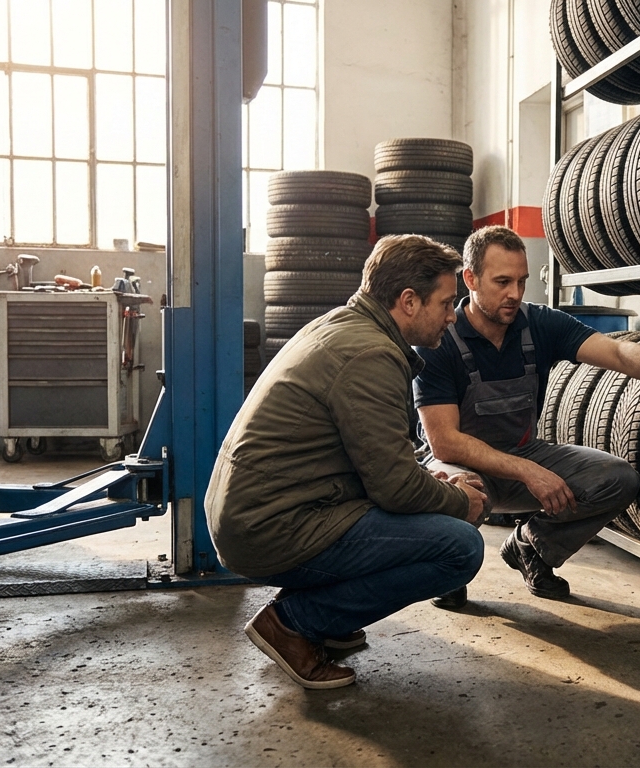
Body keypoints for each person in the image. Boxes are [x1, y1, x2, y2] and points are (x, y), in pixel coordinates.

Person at [205, 234, 488, 690]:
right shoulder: (370, 354)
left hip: (262, 513)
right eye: (446, 302)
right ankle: (294, 623)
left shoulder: (345, 326)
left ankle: (325, 618)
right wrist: (458, 501)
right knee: (459, 545)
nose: (452, 316)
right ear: (409, 301)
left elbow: (375, 456)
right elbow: (394, 489)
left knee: (437, 511)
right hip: (269, 528)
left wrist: (427, 479)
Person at [413, 225, 640, 608]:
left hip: (523, 452)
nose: (515, 294)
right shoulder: (439, 339)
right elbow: (445, 440)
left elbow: (618, 352)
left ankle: (532, 547)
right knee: (453, 489)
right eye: (502, 282)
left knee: (618, 479)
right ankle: (449, 567)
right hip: (459, 465)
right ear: (471, 279)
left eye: (522, 282)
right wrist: (529, 472)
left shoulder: (539, 324)